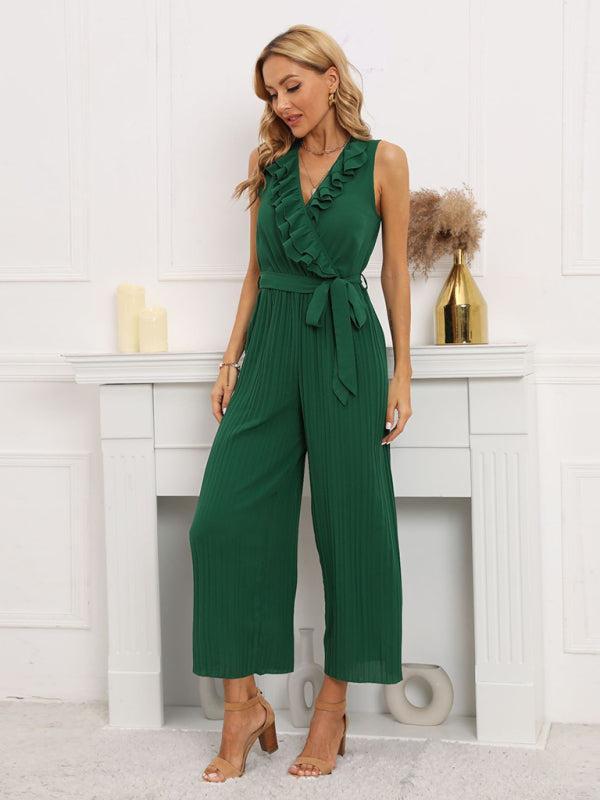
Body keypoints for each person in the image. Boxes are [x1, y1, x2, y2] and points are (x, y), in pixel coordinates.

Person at [189, 23, 412, 782]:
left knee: (353, 523)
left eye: (293, 85)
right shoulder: (270, 167)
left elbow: (393, 274)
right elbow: (255, 272)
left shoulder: (384, 161)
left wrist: (402, 371)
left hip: (347, 342)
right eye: (272, 92)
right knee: (221, 520)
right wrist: (231, 359)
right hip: (274, 342)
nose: (282, 103)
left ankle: (332, 708)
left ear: (330, 78)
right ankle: (243, 704)